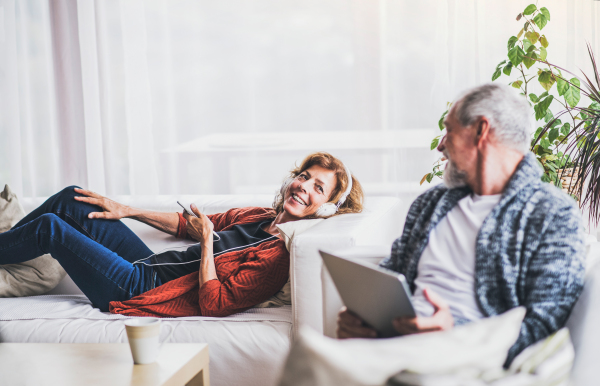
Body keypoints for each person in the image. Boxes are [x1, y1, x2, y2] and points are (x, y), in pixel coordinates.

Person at [336, 83, 586, 367]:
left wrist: (455, 334)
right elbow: (391, 275)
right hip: (395, 347)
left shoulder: (553, 214)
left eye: (449, 130)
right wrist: (360, 317)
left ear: (480, 130)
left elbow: (546, 328)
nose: (441, 145)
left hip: (467, 362)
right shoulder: (430, 203)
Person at [0, 152, 363, 317]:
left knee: (51, 228)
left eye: (319, 188)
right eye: (305, 177)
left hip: (139, 287)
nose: (305, 188)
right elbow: (187, 224)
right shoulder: (258, 216)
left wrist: (207, 244)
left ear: (327, 207)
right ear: (292, 178)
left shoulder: (276, 257)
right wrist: (128, 210)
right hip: (145, 263)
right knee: (73, 198)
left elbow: (216, 303)